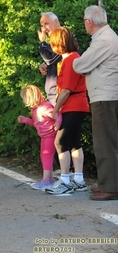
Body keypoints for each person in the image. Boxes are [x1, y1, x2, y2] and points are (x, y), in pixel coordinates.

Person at [73, 6, 118, 201]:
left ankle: (111, 187)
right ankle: (107, 184)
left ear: (90, 22)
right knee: (106, 141)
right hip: (106, 96)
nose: (84, 23)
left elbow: (80, 64)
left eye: (84, 20)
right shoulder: (106, 37)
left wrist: (79, 63)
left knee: (105, 143)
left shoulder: (104, 40)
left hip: (105, 98)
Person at [44, 27, 89, 195]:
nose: (51, 46)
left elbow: (66, 90)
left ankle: (65, 180)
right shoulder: (73, 58)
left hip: (73, 105)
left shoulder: (70, 60)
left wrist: (55, 110)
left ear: (59, 44)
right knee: (75, 142)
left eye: (53, 43)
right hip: (79, 105)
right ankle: (78, 179)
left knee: (60, 142)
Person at [18, 85, 61, 190]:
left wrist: (58, 122)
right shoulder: (36, 110)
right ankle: (49, 178)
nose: (24, 102)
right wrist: (25, 120)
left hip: (50, 135)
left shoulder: (44, 108)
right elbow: (37, 123)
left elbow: (57, 114)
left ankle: (46, 180)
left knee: (46, 156)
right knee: (44, 156)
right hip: (44, 136)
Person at [38, 12, 62, 107]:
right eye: (41, 25)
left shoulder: (65, 38)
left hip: (61, 95)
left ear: (56, 21)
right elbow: (51, 61)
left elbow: (50, 59)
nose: (43, 29)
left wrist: (42, 43)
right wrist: (45, 66)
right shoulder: (53, 42)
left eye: (46, 24)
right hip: (52, 96)